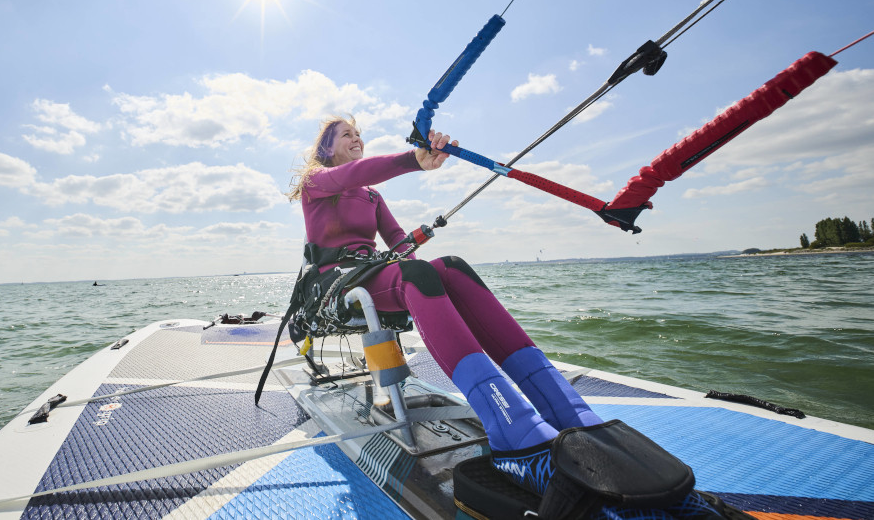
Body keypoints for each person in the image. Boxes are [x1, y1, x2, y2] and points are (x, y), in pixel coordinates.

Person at [287, 116, 741, 520]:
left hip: (374, 272)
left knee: (454, 267)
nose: (357, 140)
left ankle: (572, 414)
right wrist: (415, 159)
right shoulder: (318, 181)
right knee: (418, 275)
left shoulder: (371, 196)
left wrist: (418, 240)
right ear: (327, 147)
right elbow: (358, 172)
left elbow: (399, 244)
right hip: (333, 285)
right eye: (347, 134)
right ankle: (514, 433)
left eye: (360, 135)